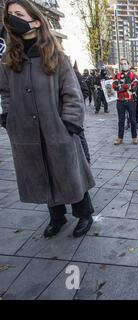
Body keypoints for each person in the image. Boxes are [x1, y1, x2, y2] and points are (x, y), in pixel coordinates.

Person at [0, 0, 96, 238]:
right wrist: (8, 118)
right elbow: (6, 93)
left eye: (18, 13)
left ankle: (84, 214)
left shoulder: (57, 56)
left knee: (70, 175)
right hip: (26, 133)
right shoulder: (8, 60)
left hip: (58, 130)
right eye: (10, 14)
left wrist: (69, 125)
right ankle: (57, 216)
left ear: (34, 20)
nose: (13, 18)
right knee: (42, 174)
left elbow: (72, 94)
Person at [112, 58, 138, 146]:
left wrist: (121, 87)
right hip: (120, 101)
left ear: (128, 64)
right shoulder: (117, 75)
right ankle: (120, 138)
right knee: (121, 120)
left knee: (133, 120)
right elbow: (114, 86)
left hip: (131, 101)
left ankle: (134, 138)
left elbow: (134, 87)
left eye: (125, 63)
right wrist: (127, 86)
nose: (123, 65)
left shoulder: (133, 75)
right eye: (122, 64)